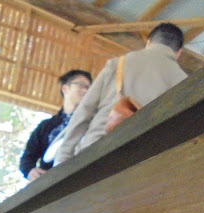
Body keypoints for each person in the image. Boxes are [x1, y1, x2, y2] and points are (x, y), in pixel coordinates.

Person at [54, 22, 188, 166]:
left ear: (148, 42)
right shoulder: (184, 82)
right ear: (179, 52)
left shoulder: (118, 63)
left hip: (93, 152)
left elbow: (85, 110)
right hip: (138, 162)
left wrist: (63, 158)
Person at [19, 70, 92, 182]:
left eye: (89, 88)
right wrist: (30, 171)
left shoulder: (94, 123)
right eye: (81, 85)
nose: (86, 90)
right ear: (65, 88)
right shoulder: (46, 126)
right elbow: (27, 158)